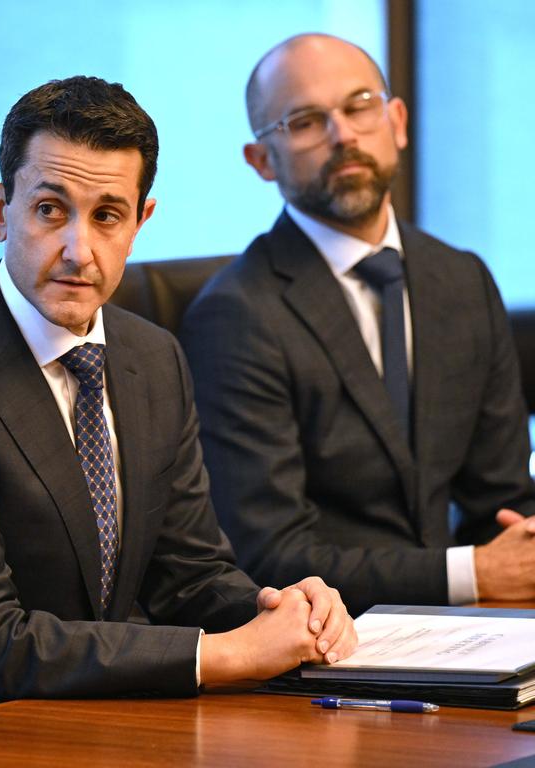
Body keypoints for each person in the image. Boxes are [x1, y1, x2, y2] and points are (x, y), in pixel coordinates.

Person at [0, 75, 355, 702]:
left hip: (102, 708)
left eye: (107, 216)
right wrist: (227, 653)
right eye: (49, 210)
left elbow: (188, 573)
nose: (77, 250)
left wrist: (278, 612)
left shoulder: (152, 357)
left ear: (140, 222)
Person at [180, 34, 535, 617]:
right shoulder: (237, 315)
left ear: (396, 121)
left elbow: (501, 500)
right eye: (305, 121)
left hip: (477, 630)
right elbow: (268, 554)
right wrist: (471, 572)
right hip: (331, 649)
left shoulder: (462, 279)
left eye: (359, 106)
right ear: (261, 160)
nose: (343, 135)